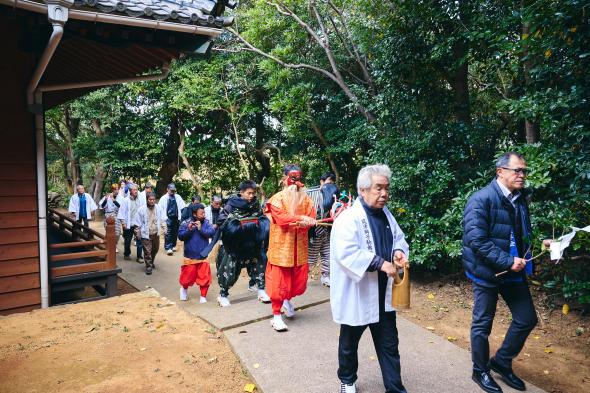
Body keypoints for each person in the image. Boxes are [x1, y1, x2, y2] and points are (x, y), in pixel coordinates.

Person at [463, 152, 540, 393]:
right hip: (487, 272)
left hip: (512, 270)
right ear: (500, 172)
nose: (522, 175)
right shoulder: (481, 199)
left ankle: (501, 362)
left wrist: (539, 245)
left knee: (526, 319)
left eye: (524, 171)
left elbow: (518, 233)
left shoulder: (519, 198)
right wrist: (508, 261)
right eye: (517, 170)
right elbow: (477, 240)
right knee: (482, 323)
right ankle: (480, 370)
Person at [330, 164, 409, 393]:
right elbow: (346, 253)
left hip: (383, 294)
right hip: (359, 293)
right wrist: (380, 263)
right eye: (378, 188)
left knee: (389, 345)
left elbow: (399, 239)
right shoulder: (349, 218)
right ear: (363, 190)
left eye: (386, 188)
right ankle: (347, 380)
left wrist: (398, 253)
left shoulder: (387, 215)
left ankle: (395, 388)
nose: (384, 193)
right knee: (349, 343)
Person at [265, 165, 316, 331]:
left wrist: (307, 222)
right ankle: (276, 316)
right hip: (282, 250)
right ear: (284, 178)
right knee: (279, 282)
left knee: (297, 282)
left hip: (299, 248)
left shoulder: (306, 199)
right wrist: (301, 217)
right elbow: (281, 219)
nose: (295, 182)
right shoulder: (276, 199)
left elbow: (312, 216)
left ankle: (286, 300)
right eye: (292, 178)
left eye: (298, 178)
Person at [213, 180, 271, 307]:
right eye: (249, 193)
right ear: (241, 192)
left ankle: (261, 290)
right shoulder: (231, 205)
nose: (251, 196)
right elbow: (220, 223)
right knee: (230, 270)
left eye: (253, 193)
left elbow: (262, 219)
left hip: (253, 243)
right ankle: (223, 295)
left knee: (261, 263)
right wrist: (237, 226)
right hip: (235, 246)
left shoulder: (255, 204)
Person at [178, 203, 215, 303]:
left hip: (203, 256)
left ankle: (203, 296)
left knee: (205, 278)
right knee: (187, 277)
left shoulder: (206, 223)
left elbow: (211, 233)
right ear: (195, 214)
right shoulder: (186, 222)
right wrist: (189, 230)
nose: (204, 215)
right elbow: (180, 236)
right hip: (190, 257)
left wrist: (200, 229)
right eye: (202, 213)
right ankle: (184, 289)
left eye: (204, 213)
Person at [308, 172, 339, 287]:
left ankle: (326, 276)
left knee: (328, 254)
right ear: (321, 182)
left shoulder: (335, 193)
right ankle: (300, 279)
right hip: (314, 229)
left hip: (328, 229)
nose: (330, 184)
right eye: (328, 181)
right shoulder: (310, 193)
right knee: (311, 258)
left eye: (332, 182)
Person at [133, 192, 166, 275]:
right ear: (147, 200)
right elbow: (137, 223)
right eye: (150, 199)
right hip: (146, 233)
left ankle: (151, 262)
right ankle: (148, 266)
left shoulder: (158, 208)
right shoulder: (141, 209)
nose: (152, 201)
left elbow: (162, 219)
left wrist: (164, 228)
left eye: (153, 199)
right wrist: (138, 233)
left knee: (155, 249)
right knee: (147, 251)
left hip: (155, 233)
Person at [158, 183, 186, 256]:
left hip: (176, 218)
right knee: (168, 233)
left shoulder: (178, 197)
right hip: (168, 218)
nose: (173, 192)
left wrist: (182, 217)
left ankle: (173, 245)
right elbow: (160, 209)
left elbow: (182, 206)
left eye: (174, 191)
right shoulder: (163, 198)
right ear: (167, 189)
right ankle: (168, 248)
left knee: (175, 233)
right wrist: (163, 219)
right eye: (171, 190)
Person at [117, 183, 144, 262]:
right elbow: (122, 212)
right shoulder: (125, 200)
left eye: (136, 189)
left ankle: (139, 257)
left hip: (138, 223)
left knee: (139, 240)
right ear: (130, 191)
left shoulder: (140, 199)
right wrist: (123, 223)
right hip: (129, 223)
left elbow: (143, 211)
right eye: (134, 190)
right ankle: (127, 254)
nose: (136, 191)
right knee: (128, 240)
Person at [99, 183, 122, 252]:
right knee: (109, 231)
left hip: (117, 215)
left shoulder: (121, 197)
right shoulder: (107, 196)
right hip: (108, 215)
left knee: (117, 233)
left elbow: (120, 206)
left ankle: (115, 244)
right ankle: (109, 246)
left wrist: (113, 200)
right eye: (115, 189)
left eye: (117, 189)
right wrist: (106, 199)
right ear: (112, 189)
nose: (116, 190)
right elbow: (102, 206)